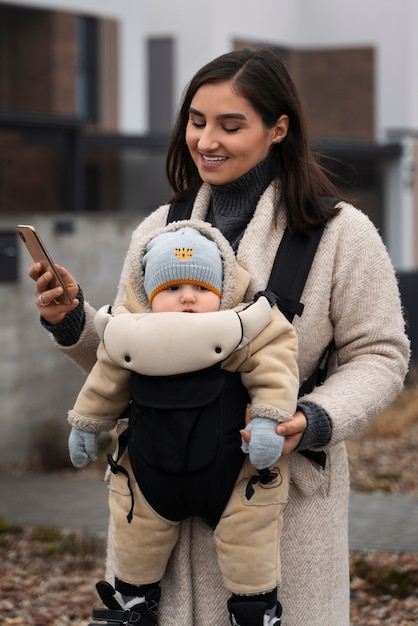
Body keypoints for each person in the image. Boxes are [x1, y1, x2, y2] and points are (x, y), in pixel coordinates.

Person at [28, 46, 409, 626]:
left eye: (232, 125)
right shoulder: (158, 229)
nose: (207, 139)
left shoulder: (340, 235)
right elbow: (129, 355)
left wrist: (310, 420)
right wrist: (72, 321)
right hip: (157, 497)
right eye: (197, 121)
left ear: (279, 129)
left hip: (278, 499)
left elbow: (381, 355)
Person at [66, 220, 299, 625]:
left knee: (249, 534)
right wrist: (87, 422)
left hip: (231, 470)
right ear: (149, 295)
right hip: (150, 473)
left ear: (223, 291)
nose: (187, 299)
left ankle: (254, 608)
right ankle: (133, 600)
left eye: (201, 289)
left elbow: (274, 370)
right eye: (172, 289)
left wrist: (268, 420)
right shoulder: (128, 335)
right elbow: (106, 381)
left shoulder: (243, 327)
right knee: (135, 528)